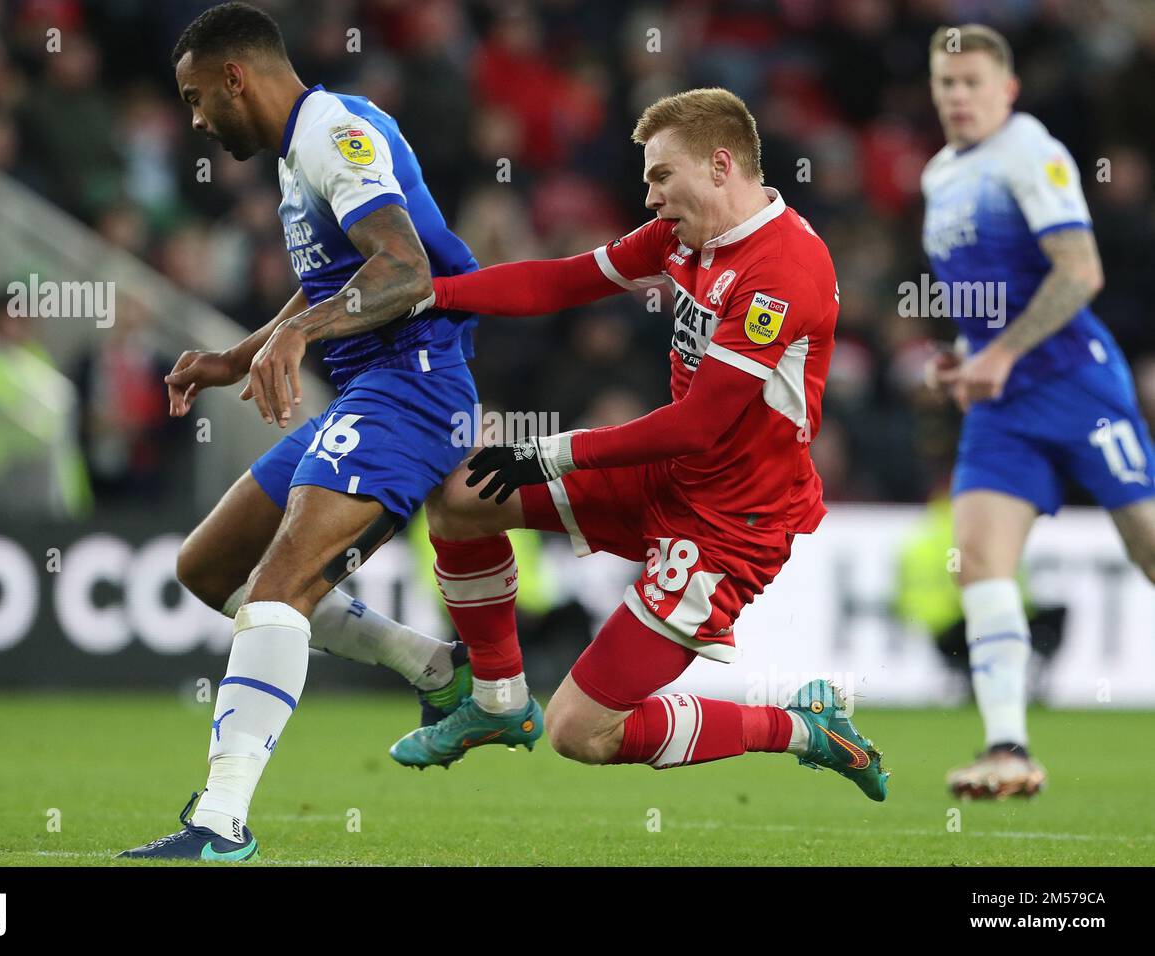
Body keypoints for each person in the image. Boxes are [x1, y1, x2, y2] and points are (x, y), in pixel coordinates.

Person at [389, 88, 889, 802]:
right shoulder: (685, 236)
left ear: (720, 166)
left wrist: (552, 450)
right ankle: (495, 702)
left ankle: (805, 728)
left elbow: (699, 425)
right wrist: (437, 293)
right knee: (461, 500)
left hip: (728, 525)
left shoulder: (783, 272)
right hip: (665, 473)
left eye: (661, 176)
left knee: (581, 731)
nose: (649, 196)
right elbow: (560, 282)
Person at [121, 2, 482, 861]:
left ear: (235, 75)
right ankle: (437, 669)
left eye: (198, 98)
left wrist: (299, 336)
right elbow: (340, 275)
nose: (198, 120)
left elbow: (404, 267)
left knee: (280, 587)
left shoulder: (335, 131)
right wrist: (237, 355)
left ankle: (219, 824)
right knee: (206, 567)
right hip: (370, 394)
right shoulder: (300, 152)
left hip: (415, 390)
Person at [921, 24, 1155, 799]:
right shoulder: (937, 178)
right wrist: (964, 358)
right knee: (981, 563)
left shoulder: (1031, 150)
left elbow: (1080, 273)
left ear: (1007, 88)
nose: (958, 96)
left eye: (972, 82)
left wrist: (1004, 354)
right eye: (946, 83)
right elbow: (979, 297)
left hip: (1078, 385)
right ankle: (1008, 749)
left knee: (1149, 547)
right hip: (1003, 404)